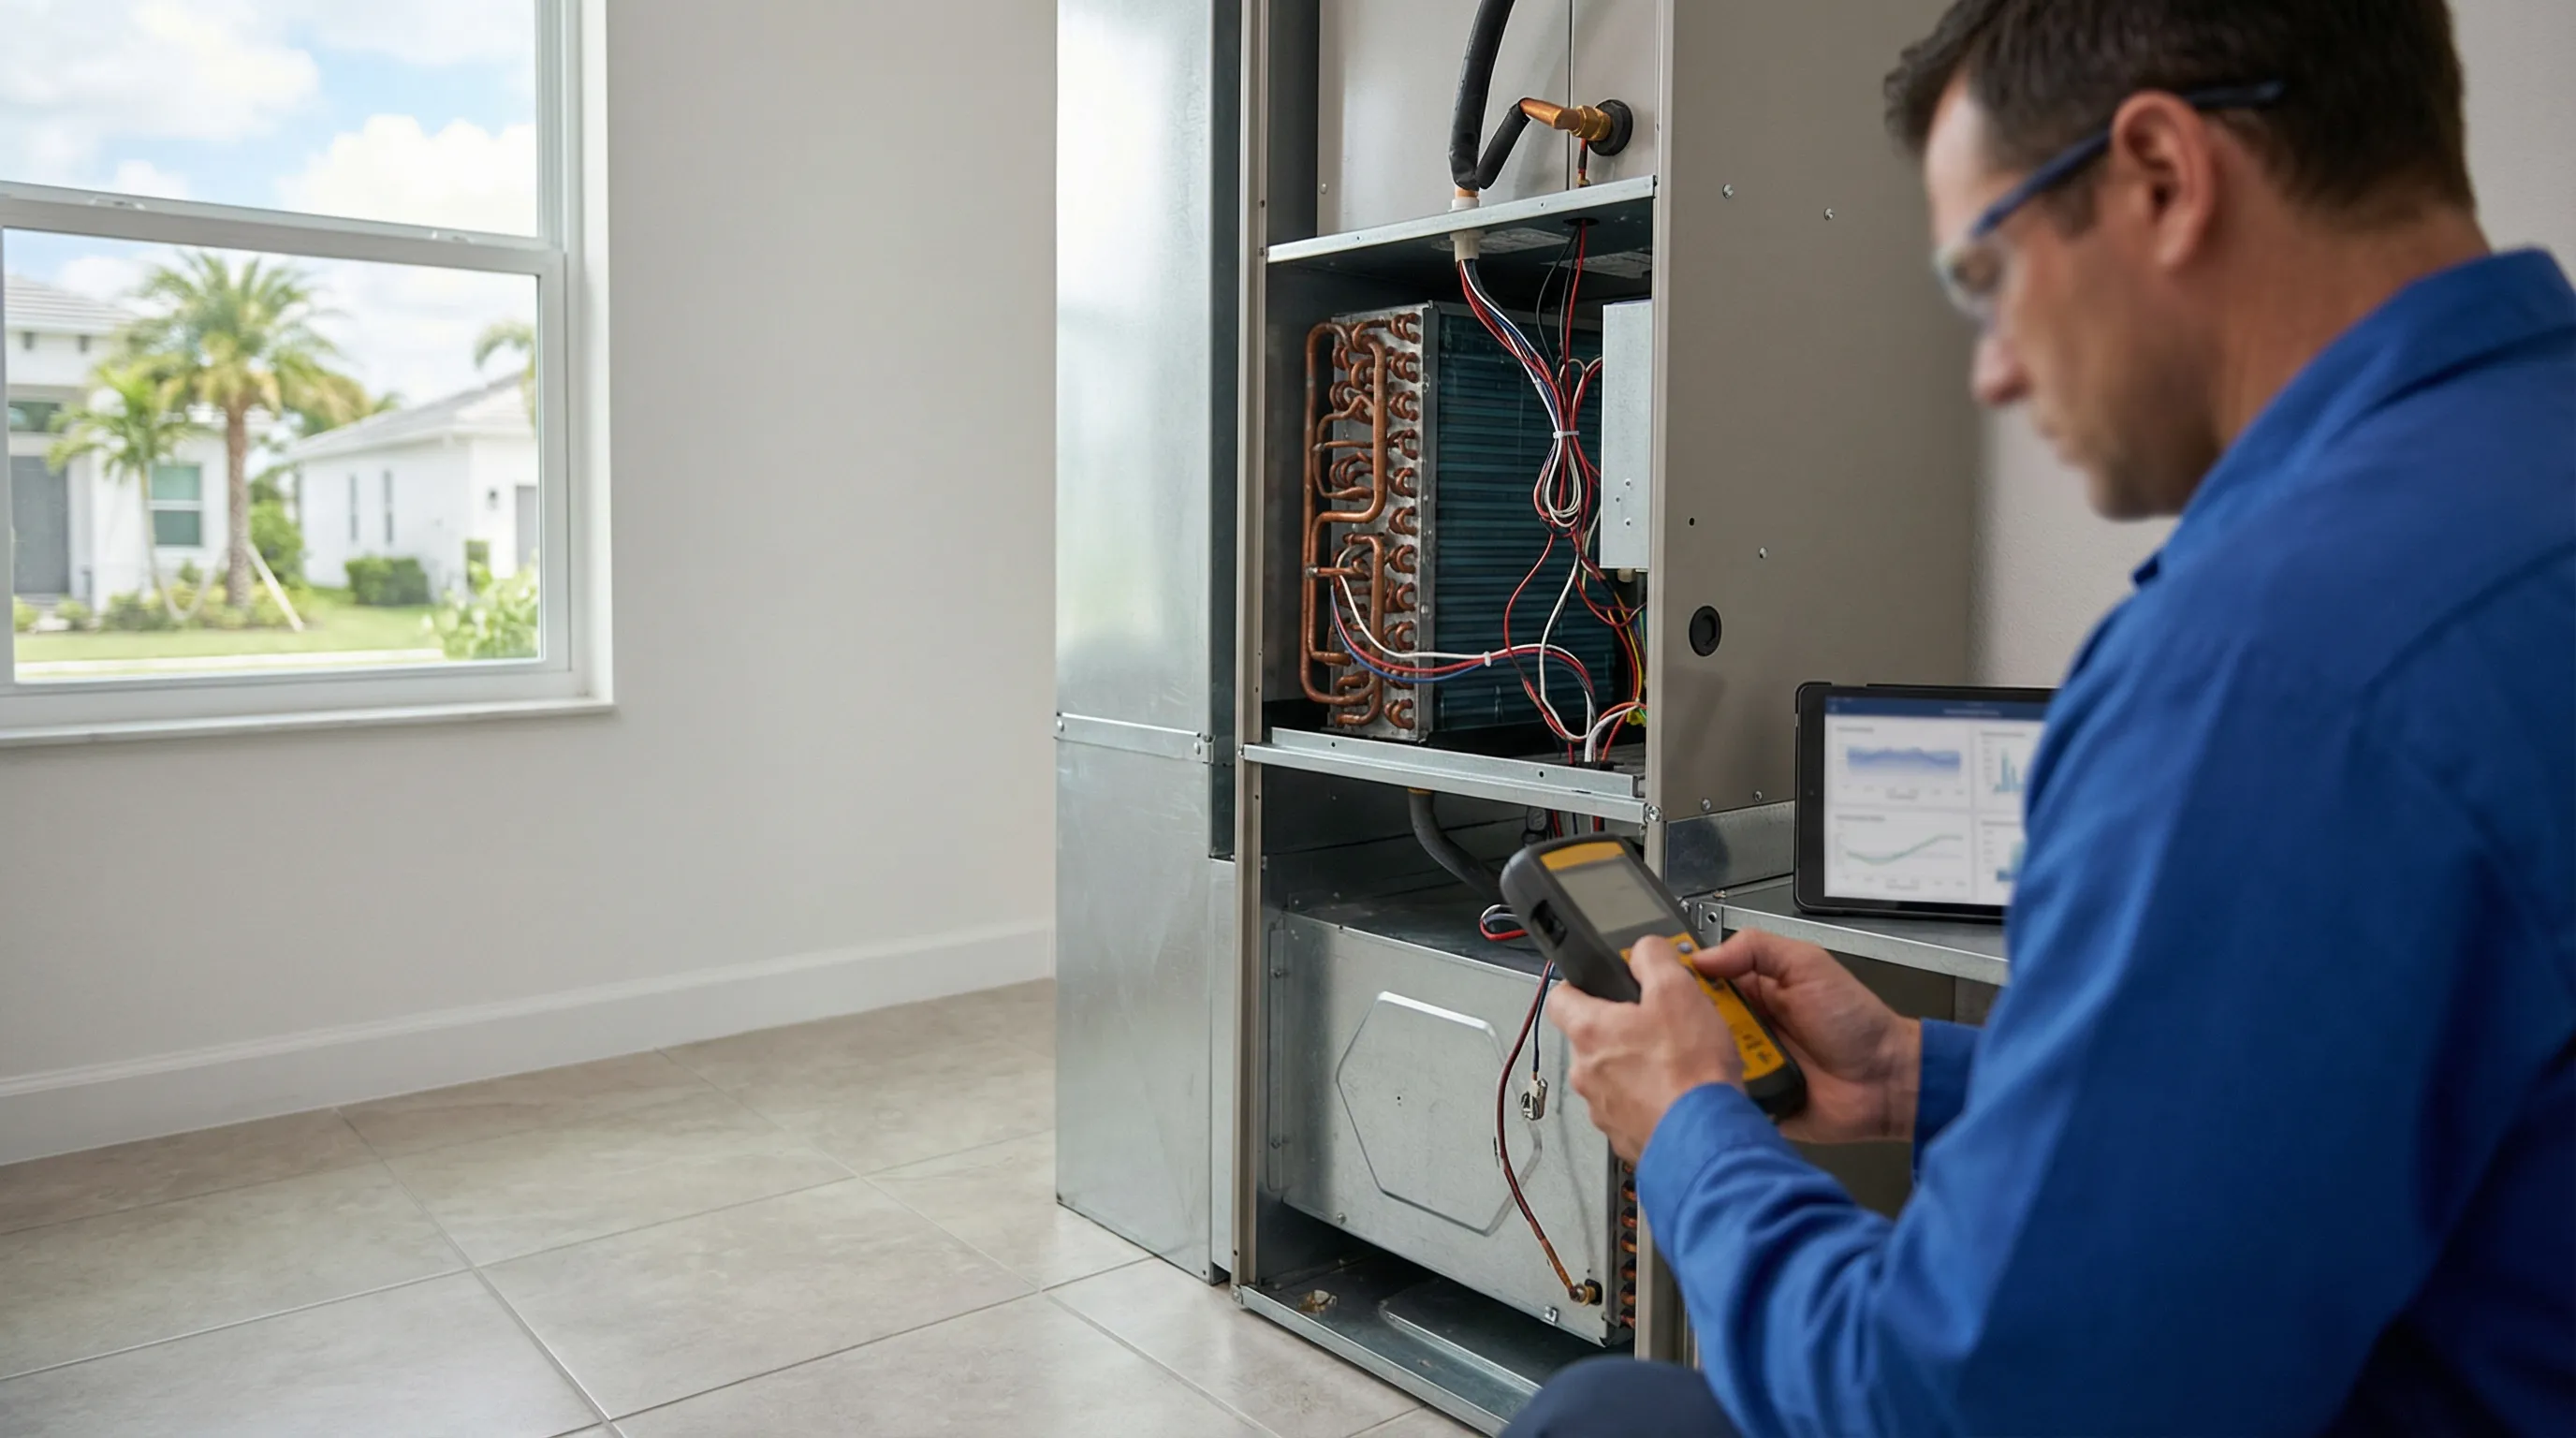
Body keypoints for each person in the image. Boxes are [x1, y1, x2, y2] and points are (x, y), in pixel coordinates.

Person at [1510, 1, 2575, 1434]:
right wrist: (1912, 1072)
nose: (1995, 372)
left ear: (2159, 176)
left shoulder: (2266, 678)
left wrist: (1695, 1134)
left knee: (1603, 1417)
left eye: (1985, 272)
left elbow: (1962, 1405)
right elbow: (2331, 1105)